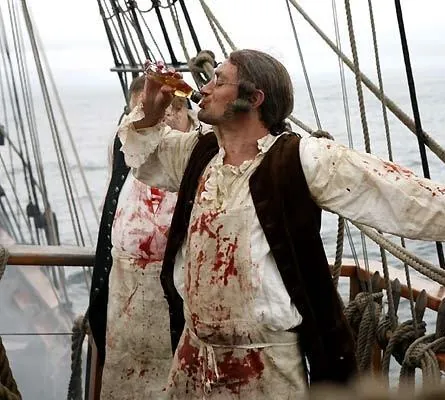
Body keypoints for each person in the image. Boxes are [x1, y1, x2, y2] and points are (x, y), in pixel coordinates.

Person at [117, 49, 445, 399]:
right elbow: (145, 158)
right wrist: (150, 114)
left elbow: (405, 197)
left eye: (219, 80)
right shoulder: (197, 155)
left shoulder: (302, 159)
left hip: (264, 366)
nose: (205, 88)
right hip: (194, 357)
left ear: (254, 99)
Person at [88, 75, 199, 399]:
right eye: (145, 109)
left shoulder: (200, 155)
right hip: (124, 305)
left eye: (173, 107)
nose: (163, 115)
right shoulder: (123, 149)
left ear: (188, 114)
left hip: (180, 304)